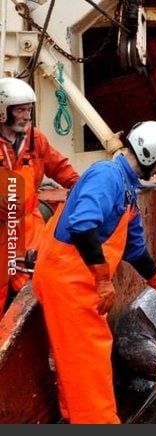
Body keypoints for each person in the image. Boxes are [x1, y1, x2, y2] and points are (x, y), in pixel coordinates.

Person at [32, 120, 156, 424]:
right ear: (151, 156)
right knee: (89, 359)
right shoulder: (107, 176)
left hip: (79, 282)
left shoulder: (128, 189)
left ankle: (75, 416)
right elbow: (83, 224)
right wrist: (102, 282)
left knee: (75, 358)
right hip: (68, 281)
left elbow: (135, 248)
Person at [0, 77, 79, 316]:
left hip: (30, 226)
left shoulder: (36, 140)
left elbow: (62, 169)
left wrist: (85, 190)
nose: (26, 116)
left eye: (29, 110)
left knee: (36, 289)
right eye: (20, 110)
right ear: (3, 112)